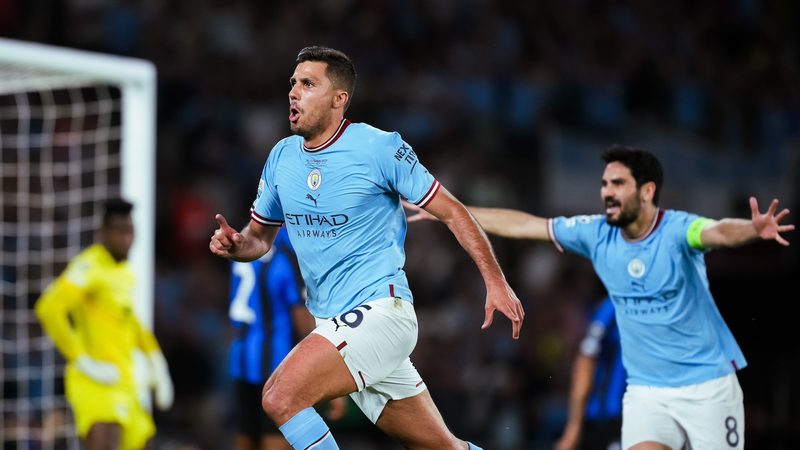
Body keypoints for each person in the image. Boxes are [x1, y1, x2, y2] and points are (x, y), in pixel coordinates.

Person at [209, 46, 524, 450]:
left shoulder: (379, 148)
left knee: (280, 396)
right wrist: (237, 244)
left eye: (308, 84)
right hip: (333, 322)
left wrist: (495, 282)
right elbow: (260, 238)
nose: (293, 92)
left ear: (339, 99)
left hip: (381, 314)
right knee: (442, 447)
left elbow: (453, 211)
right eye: (293, 83)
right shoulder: (281, 158)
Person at [406, 146, 794, 450]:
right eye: (605, 184)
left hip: (706, 385)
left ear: (647, 191)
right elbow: (527, 224)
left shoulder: (679, 230)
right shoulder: (595, 233)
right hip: (647, 390)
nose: (607, 192)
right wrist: (453, 212)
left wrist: (751, 229)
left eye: (618, 184)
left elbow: (721, 233)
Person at [35, 199, 174, 450]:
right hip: (95, 383)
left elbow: (129, 319)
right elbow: (49, 309)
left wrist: (156, 361)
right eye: (119, 231)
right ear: (104, 233)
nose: (126, 239)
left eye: (130, 231)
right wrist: (82, 360)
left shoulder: (123, 271)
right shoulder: (89, 266)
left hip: (125, 381)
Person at [228, 226, 345, 450]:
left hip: (242, 357)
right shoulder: (287, 248)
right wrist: (326, 373)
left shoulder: (245, 239)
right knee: (275, 438)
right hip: (277, 363)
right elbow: (301, 318)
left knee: (246, 436)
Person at [555, 297, 625, 450]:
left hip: (631, 414)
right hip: (606, 416)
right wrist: (573, 425)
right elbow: (585, 360)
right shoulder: (614, 306)